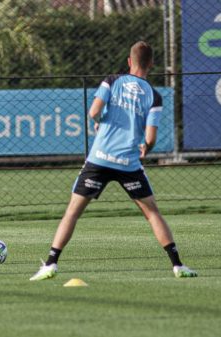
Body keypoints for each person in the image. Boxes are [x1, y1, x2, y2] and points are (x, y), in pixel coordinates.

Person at [30, 41, 197, 281]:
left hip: (99, 158)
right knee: (152, 214)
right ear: (151, 64)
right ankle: (177, 265)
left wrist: (99, 119)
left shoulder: (112, 81)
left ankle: (50, 264)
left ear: (129, 62)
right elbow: (150, 138)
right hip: (128, 162)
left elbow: (93, 111)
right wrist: (146, 149)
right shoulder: (155, 96)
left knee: (72, 213)